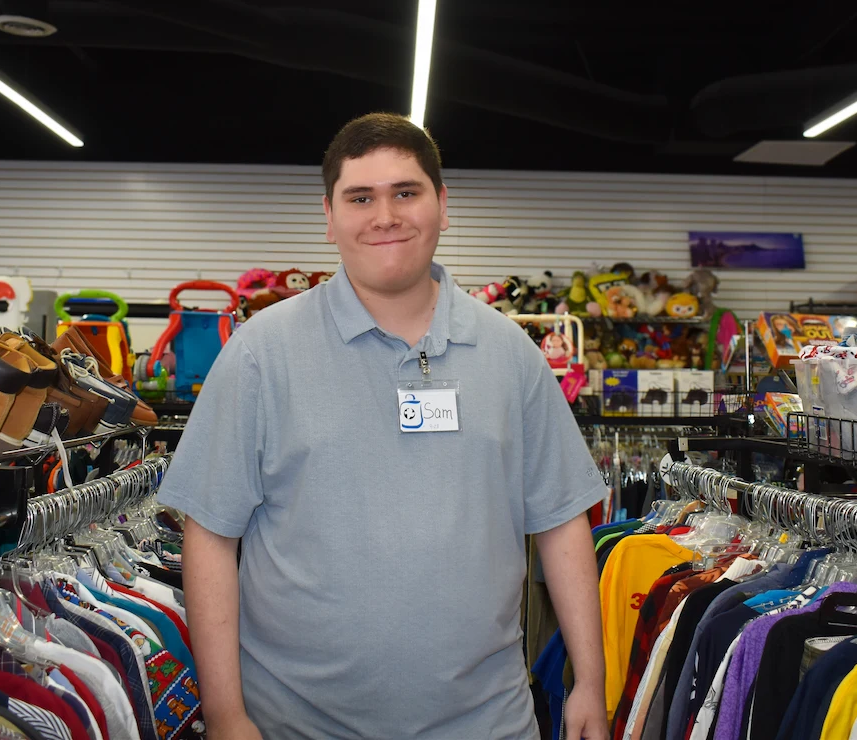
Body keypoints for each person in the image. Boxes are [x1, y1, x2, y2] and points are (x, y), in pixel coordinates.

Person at [156, 112, 610, 740]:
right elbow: (209, 536)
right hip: (294, 723)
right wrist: (227, 715)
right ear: (329, 215)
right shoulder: (262, 352)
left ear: (443, 205)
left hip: (488, 723)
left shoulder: (513, 355)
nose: (385, 215)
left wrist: (589, 680)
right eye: (361, 197)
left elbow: (562, 524)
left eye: (406, 192)